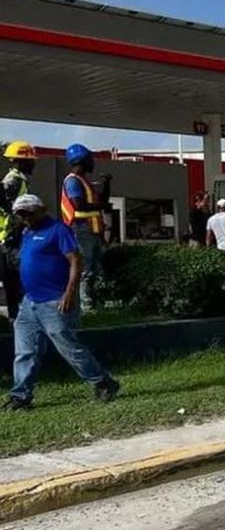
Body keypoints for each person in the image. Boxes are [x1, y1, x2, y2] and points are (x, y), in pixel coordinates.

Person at [3, 195, 119, 411]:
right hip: (30, 303)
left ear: (41, 209)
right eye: (20, 214)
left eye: (27, 213)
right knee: (25, 351)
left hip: (54, 301)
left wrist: (69, 293)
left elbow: (75, 260)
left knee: (69, 348)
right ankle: (20, 395)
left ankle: (103, 382)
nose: (24, 218)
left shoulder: (58, 230)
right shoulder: (28, 233)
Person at [61, 143, 111, 296]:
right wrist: (103, 205)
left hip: (92, 230)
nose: (93, 162)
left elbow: (100, 200)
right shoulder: (73, 181)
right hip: (81, 229)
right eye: (90, 159)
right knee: (86, 267)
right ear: (80, 161)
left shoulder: (84, 181)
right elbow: (79, 205)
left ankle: (95, 302)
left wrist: (106, 185)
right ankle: (85, 304)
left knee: (97, 267)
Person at [0, 141, 36, 319]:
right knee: (17, 279)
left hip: (13, 236)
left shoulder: (19, 180)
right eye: (31, 161)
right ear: (21, 161)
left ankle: (18, 317)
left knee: (15, 281)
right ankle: (18, 317)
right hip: (10, 237)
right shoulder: (13, 180)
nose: (34, 164)